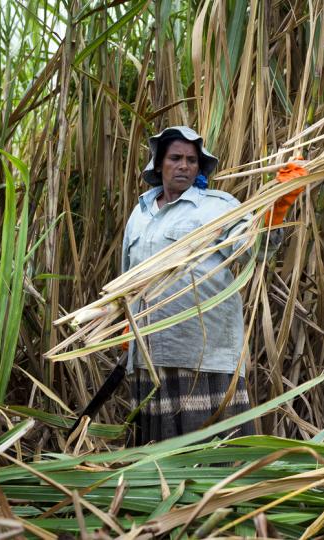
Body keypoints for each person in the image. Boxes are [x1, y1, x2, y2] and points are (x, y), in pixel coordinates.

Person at [122, 126, 306, 443]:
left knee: (210, 453)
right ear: (158, 164)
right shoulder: (139, 215)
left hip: (201, 352)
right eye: (175, 158)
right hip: (148, 354)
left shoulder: (218, 208)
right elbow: (126, 277)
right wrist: (125, 325)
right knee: (154, 454)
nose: (184, 166)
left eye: (191, 160)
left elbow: (253, 249)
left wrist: (276, 207)